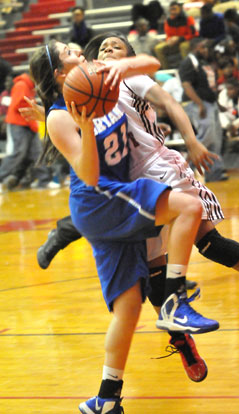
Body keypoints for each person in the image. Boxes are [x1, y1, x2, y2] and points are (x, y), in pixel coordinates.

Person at [29, 40, 219, 414]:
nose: (76, 47)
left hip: (111, 199)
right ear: (59, 72)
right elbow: (90, 174)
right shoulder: (60, 115)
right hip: (102, 198)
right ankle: (174, 301)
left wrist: (123, 67)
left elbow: (150, 61)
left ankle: (106, 398)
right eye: (67, 49)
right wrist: (86, 125)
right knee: (188, 208)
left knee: (128, 308)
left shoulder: (98, 74)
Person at [179, 37, 227, 182]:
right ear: (194, 47)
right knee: (206, 137)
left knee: (216, 139)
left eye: (206, 47)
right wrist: (199, 104)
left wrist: (217, 104)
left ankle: (215, 173)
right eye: (202, 47)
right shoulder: (189, 62)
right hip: (198, 104)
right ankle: (183, 169)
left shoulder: (204, 62)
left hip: (210, 103)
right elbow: (186, 85)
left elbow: (208, 86)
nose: (205, 50)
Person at [0, 72, 52, 191]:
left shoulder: (28, 87)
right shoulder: (21, 85)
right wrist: (35, 108)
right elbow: (19, 105)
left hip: (28, 124)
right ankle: (2, 178)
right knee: (18, 153)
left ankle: (44, 181)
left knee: (37, 153)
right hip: (18, 124)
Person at [154, 1, 198, 69]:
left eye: (174, 9)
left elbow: (193, 34)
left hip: (187, 41)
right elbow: (168, 35)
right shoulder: (168, 21)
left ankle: (187, 68)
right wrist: (169, 40)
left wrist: (179, 38)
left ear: (180, 9)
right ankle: (166, 69)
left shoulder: (188, 19)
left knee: (183, 46)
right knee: (158, 48)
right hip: (174, 42)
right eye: (171, 9)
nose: (173, 11)